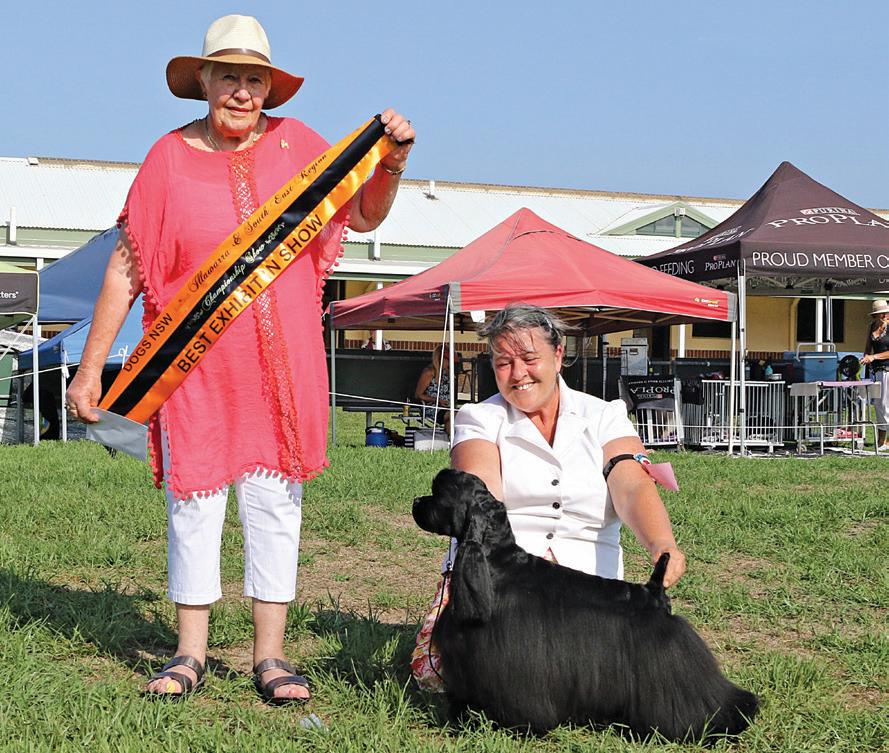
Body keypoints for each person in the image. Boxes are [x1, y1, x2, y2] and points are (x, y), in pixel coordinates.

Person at [65, 14, 415, 702]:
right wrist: (88, 368)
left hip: (282, 369)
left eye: (254, 79)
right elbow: (127, 267)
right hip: (191, 369)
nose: (242, 91)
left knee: (275, 504)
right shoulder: (166, 158)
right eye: (228, 76)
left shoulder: (299, 146)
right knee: (193, 503)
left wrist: (394, 162)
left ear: (269, 87)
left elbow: (364, 215)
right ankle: (189, 652)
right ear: (203, 80)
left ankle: (271, 656)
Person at [412, 304, 686, 689]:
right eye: (503, 362)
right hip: (503, 580)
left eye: (529, 359)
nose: (517, 373)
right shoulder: (478, 418)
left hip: (588, 584)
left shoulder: (605, 415)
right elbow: (480, 491)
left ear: (558, 355)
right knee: (442, 677)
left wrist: (662, 543)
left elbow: (632, 485)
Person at [860, 299, 889, 450]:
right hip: (876, 371)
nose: (884, 316)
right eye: (881, 313)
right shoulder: (871, 327)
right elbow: (868, 347)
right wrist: (865, 357)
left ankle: (885, 441)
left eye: (886, 313)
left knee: (885, 404)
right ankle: (881, 441)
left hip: (887, 370)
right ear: (875, 315)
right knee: (878, 405)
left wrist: (874, 357)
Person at [414, 344, 452, 433]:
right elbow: (418, 395)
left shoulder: (447, 373)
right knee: (452, 416)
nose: (450, 363)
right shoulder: (429, 373)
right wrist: (437, 400)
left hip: (447, 407)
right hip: (432, 409)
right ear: (441, 359)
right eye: (448, 360)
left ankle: (450, 438)